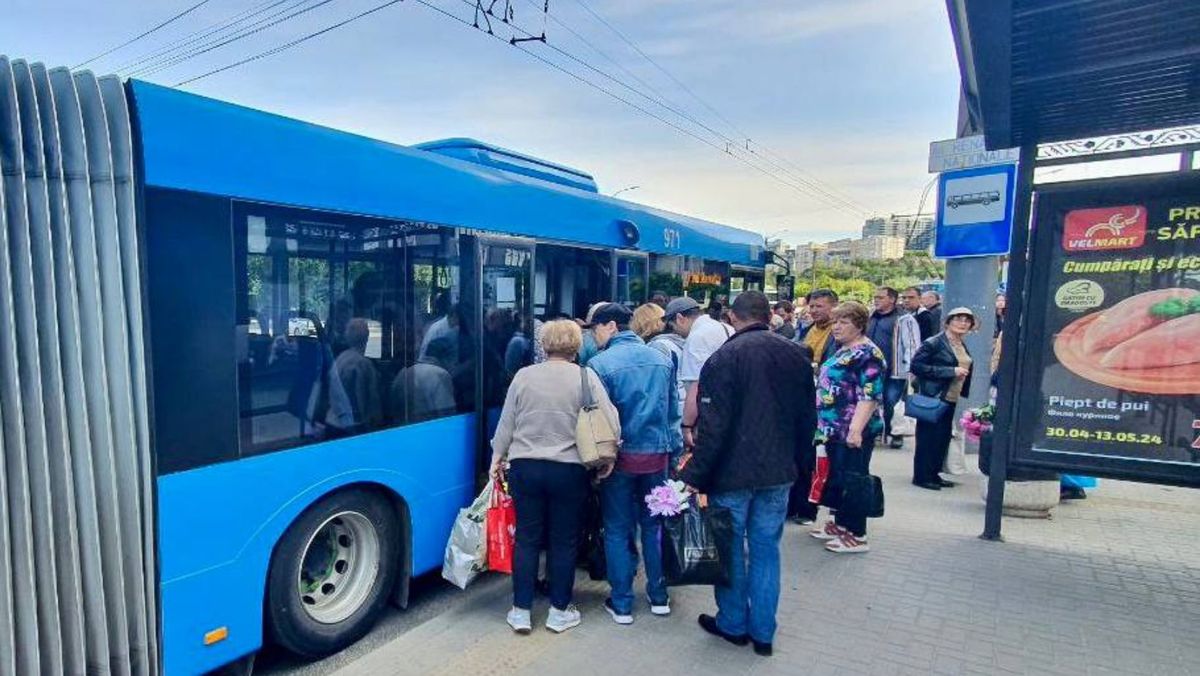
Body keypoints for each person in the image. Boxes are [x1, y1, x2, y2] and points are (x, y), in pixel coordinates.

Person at [679, 291, 815, 656]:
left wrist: (694, 474)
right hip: (779, 471)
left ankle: (733, 623)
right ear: (768, 315)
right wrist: (804, 469)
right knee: (767, 550)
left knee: (731, 550)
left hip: (732, 475)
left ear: (733, 318)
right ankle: (764, 633)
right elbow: (808, 419)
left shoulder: (724, 358)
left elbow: (714, 427)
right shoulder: (797, 354)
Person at [489, 319, 620, 635]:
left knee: (527, 538)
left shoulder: (523, 376)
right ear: (576, 346)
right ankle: (559, 611)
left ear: (544, 345)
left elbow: (506, 423)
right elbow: (611, 422)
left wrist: (496, 458)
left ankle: (521, 611)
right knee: (564, 541)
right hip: (569, 470)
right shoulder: (586, 377)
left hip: (525, 468)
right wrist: (608, 457)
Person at [587, 303, 682, 624]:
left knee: (616, 528)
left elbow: (597, 422)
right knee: (655, 525)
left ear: (610, 326)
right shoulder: (662, 358)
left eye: (594, 328)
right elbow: (673, 413)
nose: (593, 335)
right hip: (659, 459)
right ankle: (659, 597)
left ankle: (622, 603)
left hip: (618, 462)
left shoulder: (599, 364)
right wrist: (675, 454)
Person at [811, 301, 885, 554]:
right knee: (838, 477)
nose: (837, 327)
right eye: (836, 322)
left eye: (844, 322)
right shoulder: (843, 349)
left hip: (853, 429)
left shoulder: (868, 353)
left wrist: (856, 429)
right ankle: (839, 524)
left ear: (859, 324)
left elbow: (870, 394)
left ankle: (856, 532)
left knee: (854, 479)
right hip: (833, 428)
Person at [910, 308, 976, 491]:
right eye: (958, 319)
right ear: (948, 322)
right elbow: (917, 366)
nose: (963, 323)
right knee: (928, 437)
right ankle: (922, 476)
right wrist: (950, 372)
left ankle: (933, 473)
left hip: (951, 396)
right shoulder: (934, 342)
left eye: (967, 320)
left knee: (942, 437)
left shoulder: (960, 343)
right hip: (934, 396)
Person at [866, 287, 921, 449]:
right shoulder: (871, 317)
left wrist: (912, 368)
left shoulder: (904, 319)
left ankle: (896, 433)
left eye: (880, 297)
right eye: (875, 297)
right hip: (871, 369)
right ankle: (877, 431)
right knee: (872, 402)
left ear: (892, 299)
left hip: (895, 370)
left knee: (892, 402)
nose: (876, 300)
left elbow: (912, 345)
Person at [679, 297, 733, 450]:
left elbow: (695, 386)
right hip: (731, 409)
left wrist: (687, 424)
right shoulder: (726, 328)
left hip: (708, 416)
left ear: (679, 318)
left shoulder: (696, 337)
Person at [333, 318, 382, 430]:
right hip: (355, 425)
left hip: (338, 420)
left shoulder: (340, 358)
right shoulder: (363, 364)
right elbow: (370, 402)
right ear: (367, 337)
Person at [795, 289, 838, 365]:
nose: (814, 311)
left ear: (834, 307)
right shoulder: (806, 329)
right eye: (811, 307)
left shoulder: (841, 332)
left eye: (819, 306)